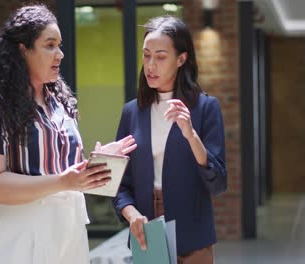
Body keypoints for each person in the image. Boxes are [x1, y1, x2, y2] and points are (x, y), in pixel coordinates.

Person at [0, 5, 136, 264]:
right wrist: (64, 182)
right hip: (15, 233)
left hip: (68, 227)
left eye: (60, 45)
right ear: (22, 50)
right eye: (50, 45)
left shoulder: (59, 100)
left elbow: (64, 173)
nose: (60, 54)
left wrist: (96, 164)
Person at [112, 16, 227, 263]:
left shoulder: (205, 108)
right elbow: (119, 184)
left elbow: (217, 184)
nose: (151, 65)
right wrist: (132, 216)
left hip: (192, 234)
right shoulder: (132, 112)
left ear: (181, 59)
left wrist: (191, 135)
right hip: (147, 233)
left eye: (161, 57)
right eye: (146, 55)